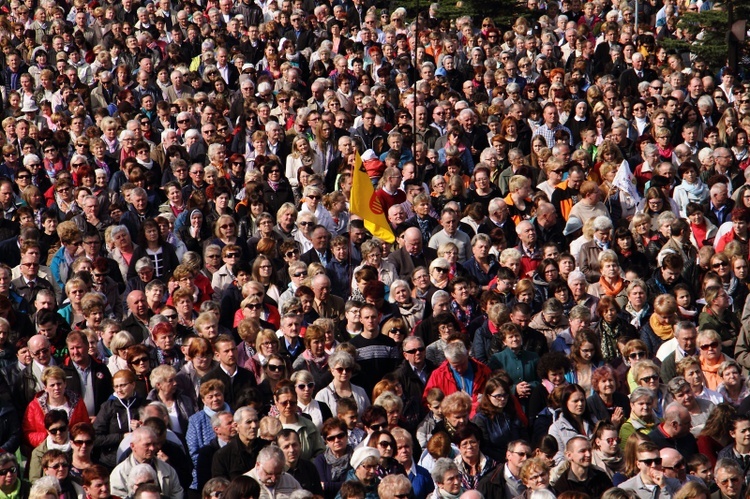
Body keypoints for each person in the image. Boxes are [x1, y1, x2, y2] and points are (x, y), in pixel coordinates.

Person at [109, 426, 184, 499]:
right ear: (133, 446)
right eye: (147, 445)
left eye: (154, 444)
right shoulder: (119, 473)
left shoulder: (168, 470)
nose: (152, 448)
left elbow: (177, 493)